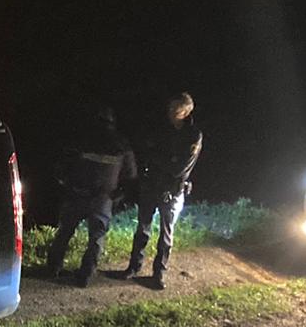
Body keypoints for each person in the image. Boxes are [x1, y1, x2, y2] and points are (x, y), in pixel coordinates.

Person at [119, 92, 204, 290]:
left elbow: (179, 168)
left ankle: (158, 274)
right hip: (151, 186)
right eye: (170, 107)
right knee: (142, 228)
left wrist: (160, 159)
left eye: (176, 108)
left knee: (166, 234)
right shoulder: (160, 128)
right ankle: (133, 267)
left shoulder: (193, 135)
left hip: (173, 190)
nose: (171, 111)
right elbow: (147, 152)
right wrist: (166, 159)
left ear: (187, 111)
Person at [44, 106, 137, 286]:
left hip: (77, 193)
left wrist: (66, 183)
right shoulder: (122, 144)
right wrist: (117, 195)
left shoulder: (82, 138)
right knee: (96, 237)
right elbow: (131, 175)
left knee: (64, 232)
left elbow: (63, 165)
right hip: (103, 198)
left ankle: (53, 267)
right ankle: (85, 275)